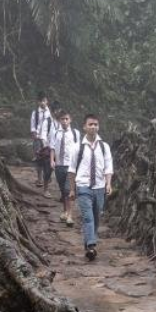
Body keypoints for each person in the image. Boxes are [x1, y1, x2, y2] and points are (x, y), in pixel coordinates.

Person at [72, 113, 113, 261]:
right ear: (84, 127)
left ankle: (88, 245)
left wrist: (108, 184)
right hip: (83, 187)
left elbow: (108, 167)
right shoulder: (78, 148)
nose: (93, 127)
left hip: (100, 187)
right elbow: (72, 170)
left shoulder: (104, 147)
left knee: (96, 218)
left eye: (96, 124)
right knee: (88, 218)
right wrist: (72, 189)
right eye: (90, 124)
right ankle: (91, 246)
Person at [48, 110, 80, 226]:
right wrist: (52, 160)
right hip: (59, 165)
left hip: (71, 166)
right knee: (63, 191)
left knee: (69, 190)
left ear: (70, 120)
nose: (65, 121)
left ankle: (70, 215)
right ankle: (65, 211)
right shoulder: (56, 133)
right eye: (62, 119)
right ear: (59, 120)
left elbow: (78, 150)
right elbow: (52, 148)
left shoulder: (75, 134)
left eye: (67, 119)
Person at [29, 94, 54, 190]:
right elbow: (32, 124)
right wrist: (34, 134)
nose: (42, 103)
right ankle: (39, 178)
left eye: (44, 100)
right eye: (40, 101)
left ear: (47, 101)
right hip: (38, 138)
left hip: (48, 138)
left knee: (47, 158)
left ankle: (47, 176)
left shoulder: (50, 112)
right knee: (38, 158)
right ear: (37, 102)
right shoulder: (35, 113)